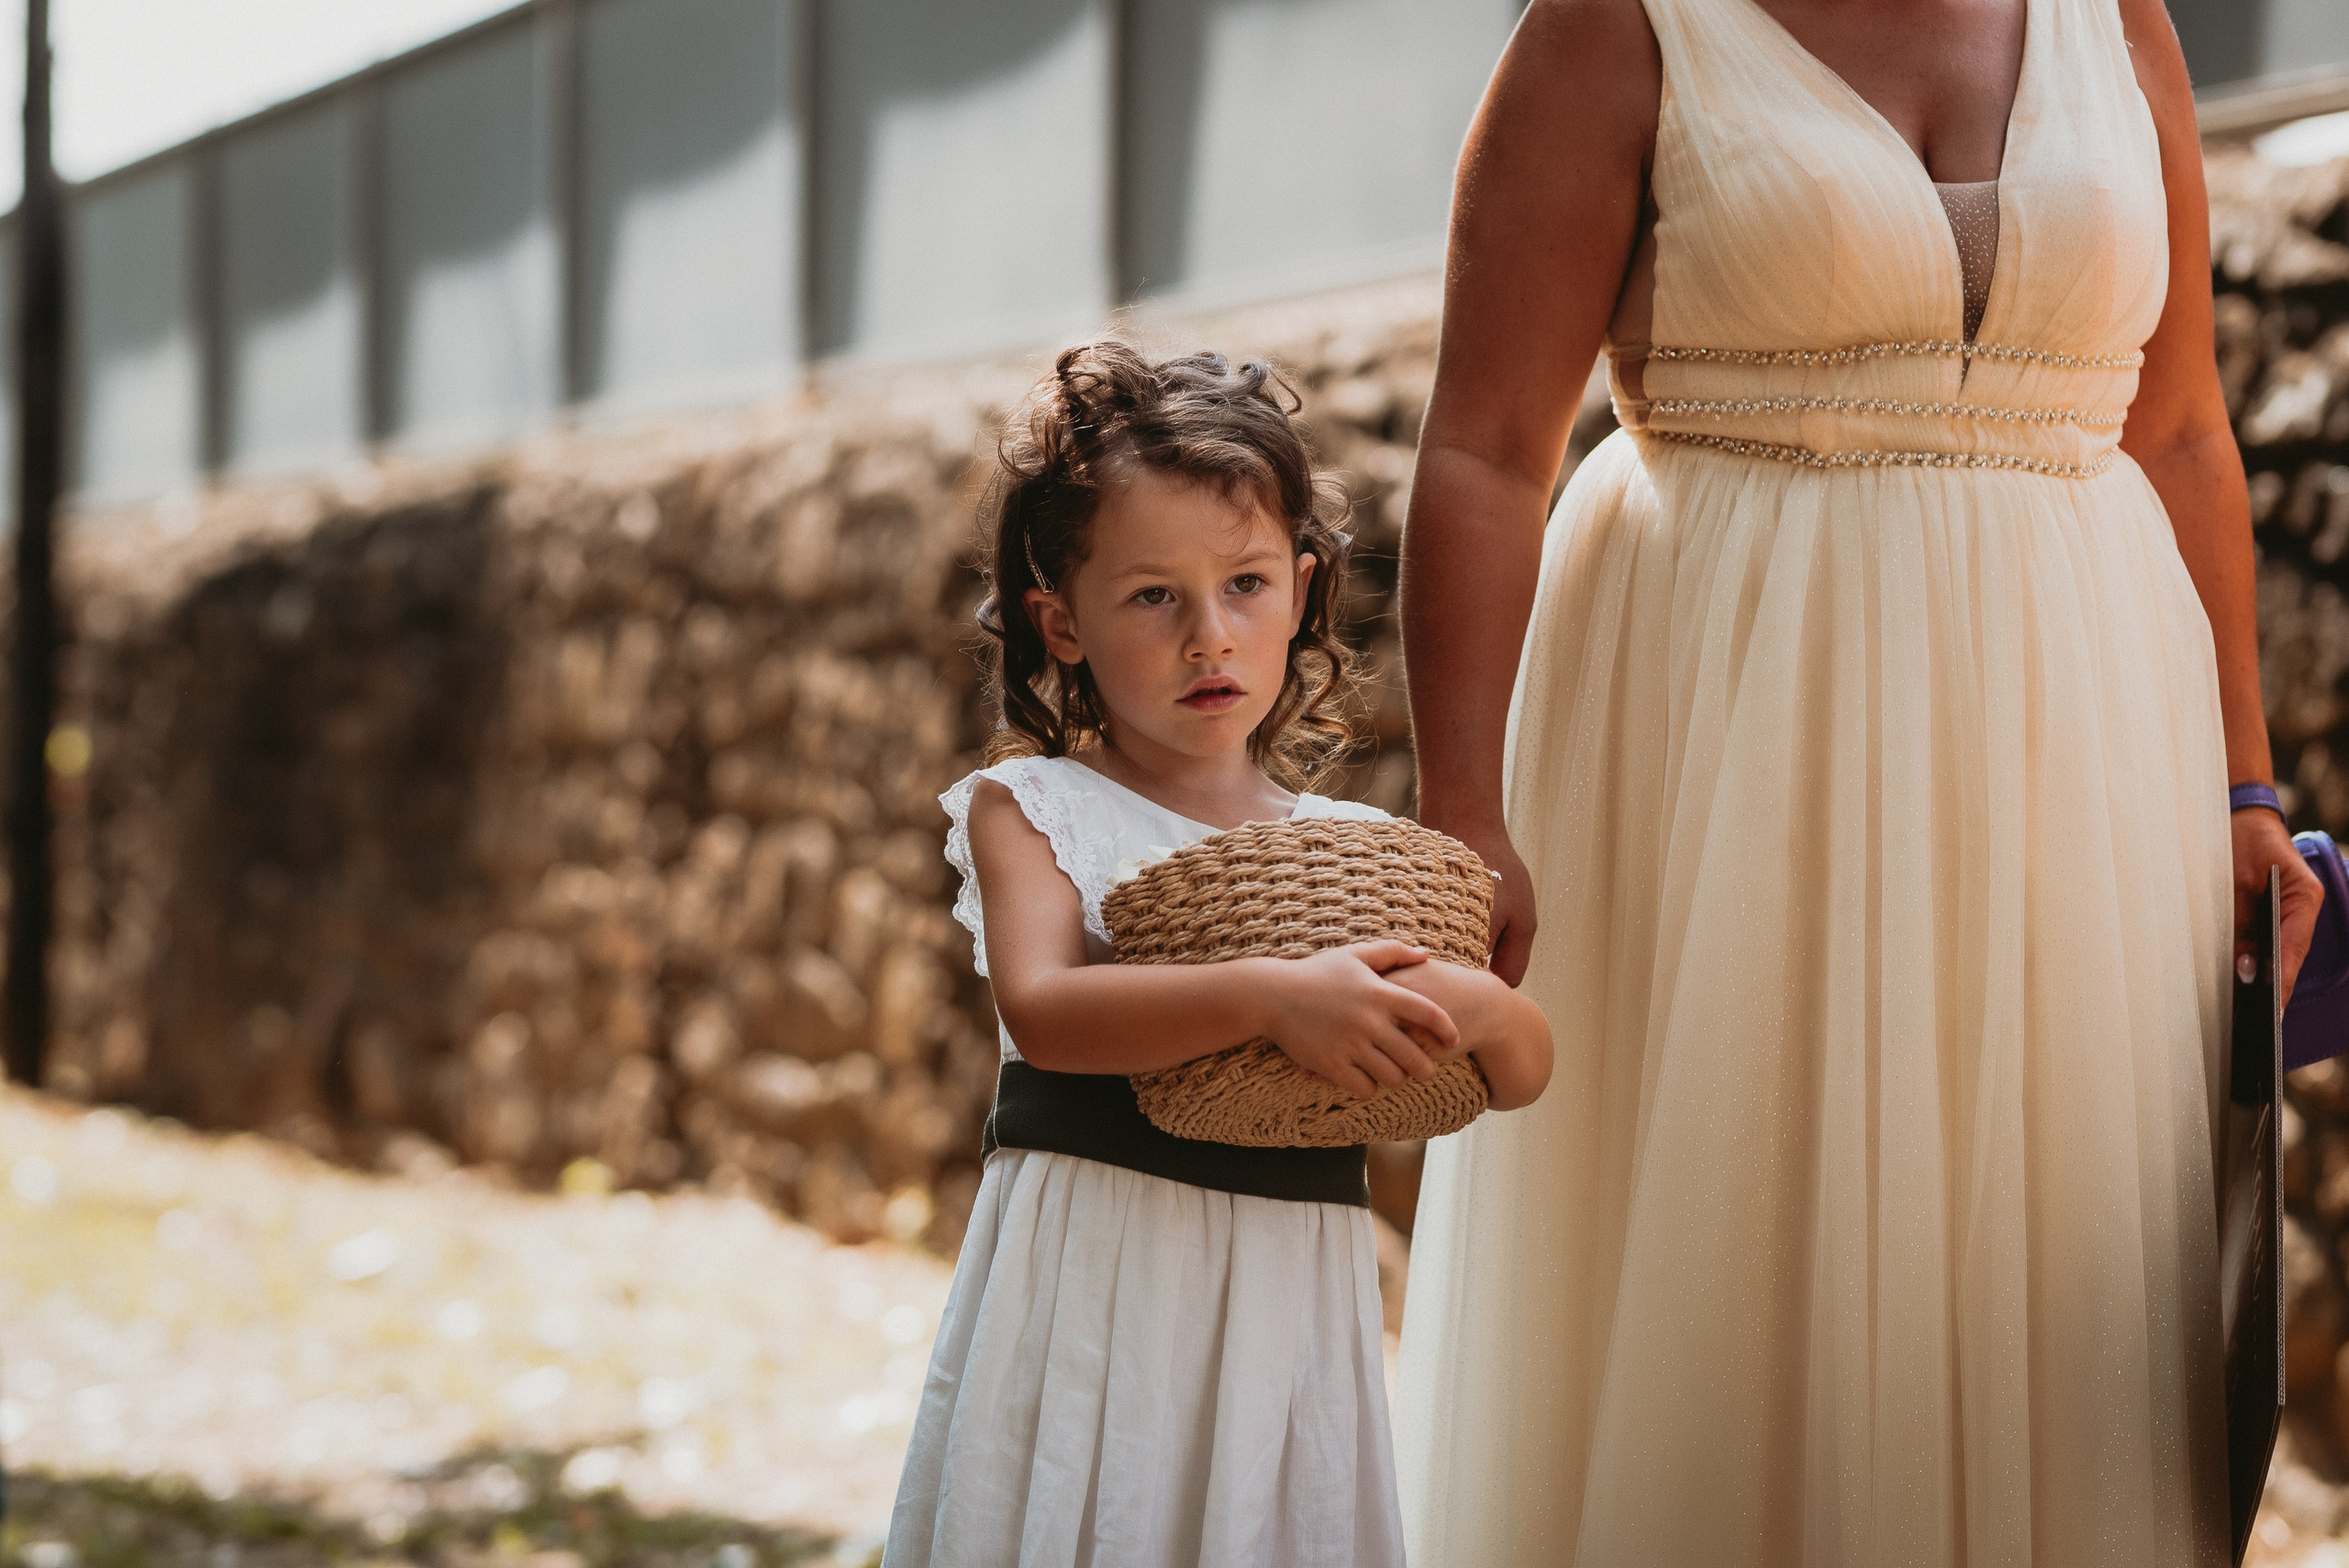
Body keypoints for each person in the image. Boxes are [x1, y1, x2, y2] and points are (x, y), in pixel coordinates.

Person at [1393, 0, 2323, 1563]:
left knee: (2053, 1255)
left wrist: (2245, 788)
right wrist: (1465, 811)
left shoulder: (2118, 23)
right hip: (1732, 731)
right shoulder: (1620, 26)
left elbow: (2178, 429)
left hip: (2082, 748)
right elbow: (1486, 447)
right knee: (1754, 1252)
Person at [883, 340, 1553, 1568]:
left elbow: (1523, 1063)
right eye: (1153, 596)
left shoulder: (1356, 856)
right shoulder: (1032, 808)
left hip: (1286, 1297)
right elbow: (1047, 1009)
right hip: (1102, 1276)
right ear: (1059, 622)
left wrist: (1467, 1003)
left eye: (1245, 583)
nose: (1210, 637)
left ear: (1301, 591)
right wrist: (1272, 998)